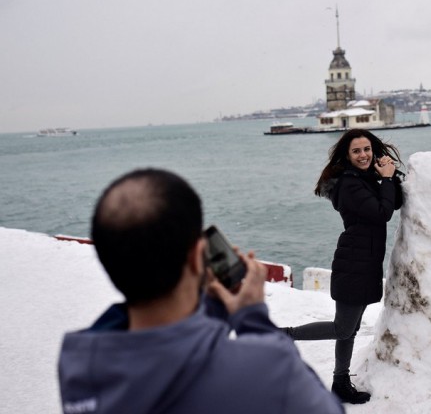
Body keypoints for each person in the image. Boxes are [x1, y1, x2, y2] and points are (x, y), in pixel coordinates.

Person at [57, 168, 344, 414]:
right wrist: (252, 318)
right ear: (198, 256)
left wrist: (212, 305)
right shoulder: (265, 369)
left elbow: (169, 358)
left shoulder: (81, 369)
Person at [282, 129, 404, 404]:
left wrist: (388, 175)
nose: (363, 155)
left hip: (365, 259)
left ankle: (340, 381)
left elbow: (394, 201)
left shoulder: (367, 178)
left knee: (350, 328)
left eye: (366, 150)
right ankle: (283, 336)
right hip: (354, 262)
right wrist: (385, 179)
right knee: (342, 328)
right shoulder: (349, 184)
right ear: (347, 156)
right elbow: (382, 213)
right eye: (356, 151)